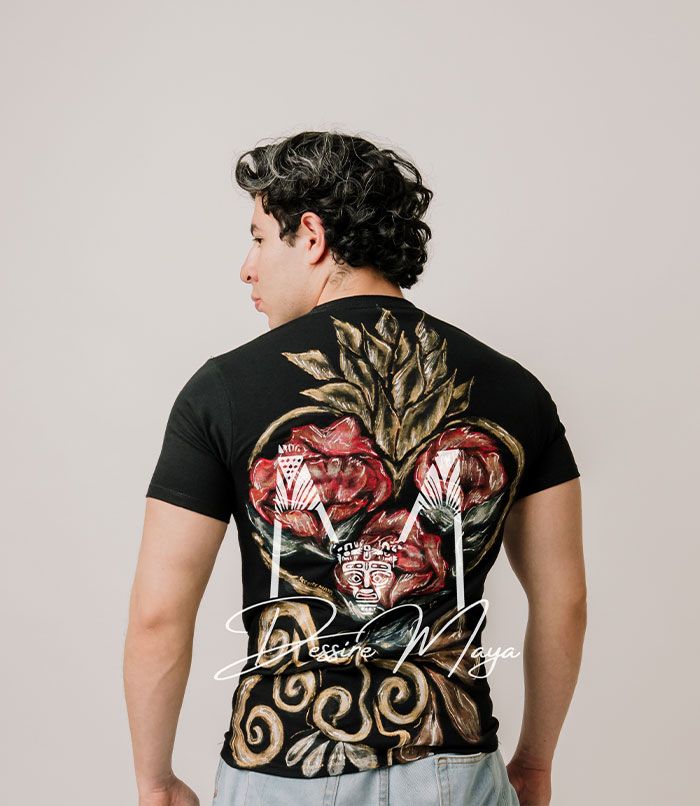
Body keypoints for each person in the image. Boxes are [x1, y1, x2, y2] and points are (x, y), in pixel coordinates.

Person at [123, 131, 586, 806]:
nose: (247, 269)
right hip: (454, 770)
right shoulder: (517, 390)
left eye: (259, 239)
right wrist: (535, 763)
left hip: (279, 769)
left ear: (310, 237)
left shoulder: (222, 390)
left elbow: (158, 615)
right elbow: (564, 603)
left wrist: (156, 780)